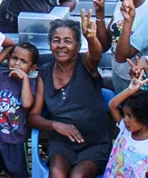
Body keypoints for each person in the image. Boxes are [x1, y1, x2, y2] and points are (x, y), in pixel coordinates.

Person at [28, 17, 110, 178]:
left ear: (78, 46)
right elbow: (32, 117)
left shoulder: (85, 64)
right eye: (56, 40)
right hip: (62, 144)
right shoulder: (45, 72)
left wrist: (91, 38)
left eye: (68, 41)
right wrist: (56, 125)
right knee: (57, 173)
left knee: (77, 176)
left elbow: (96, 55)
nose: (61, 46)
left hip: (94, 144)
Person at [0, 37, 37, 178]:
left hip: (14, 141)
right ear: (8, 58)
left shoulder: (31, 84)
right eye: (14, 58)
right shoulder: (0, 76)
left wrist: (24, 79)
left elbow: (27, 103)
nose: (17, 63)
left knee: (13, 174)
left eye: (23, 62)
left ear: (32, 68)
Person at [103, 82, 148, 178]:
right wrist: (130, 90)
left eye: (130, 116)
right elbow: (112, 105)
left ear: (143, 116)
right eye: (124, 115)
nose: (125, 119)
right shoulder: (124, 129)